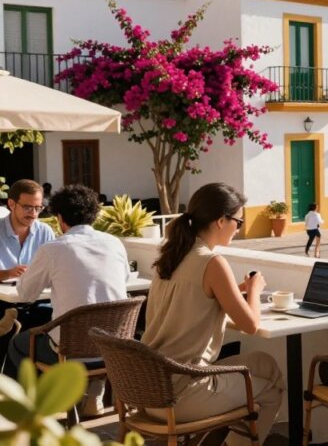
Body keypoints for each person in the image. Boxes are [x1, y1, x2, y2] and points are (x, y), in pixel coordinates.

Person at [142, 183, 283, 445]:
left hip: (152, 389)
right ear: (221, 221)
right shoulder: (212, 262)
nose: (239, 229)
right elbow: (251, 324)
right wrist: (254, 289)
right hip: (183, 392)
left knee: (265, 364)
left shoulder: (171, 256)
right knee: (271, 390)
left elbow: (192, 302)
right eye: (238, 222)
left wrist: (233, 290)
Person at [5, 184, 128, 413]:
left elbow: (25, 294)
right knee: (87, 325)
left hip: (70, 352)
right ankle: (93, 393)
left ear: (60, 218)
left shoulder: (53, 249)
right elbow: (123, 279)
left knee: (19, 343)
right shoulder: (114, 243)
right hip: (115, 349)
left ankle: (24, 415)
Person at [0, 180, 56, 367]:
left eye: (38, 208)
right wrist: (6, 273)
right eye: (27, 207)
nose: (33, 213)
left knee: (49, 316)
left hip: (36, 299)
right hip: (3, 300)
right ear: (11, 204)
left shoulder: (45, 232)